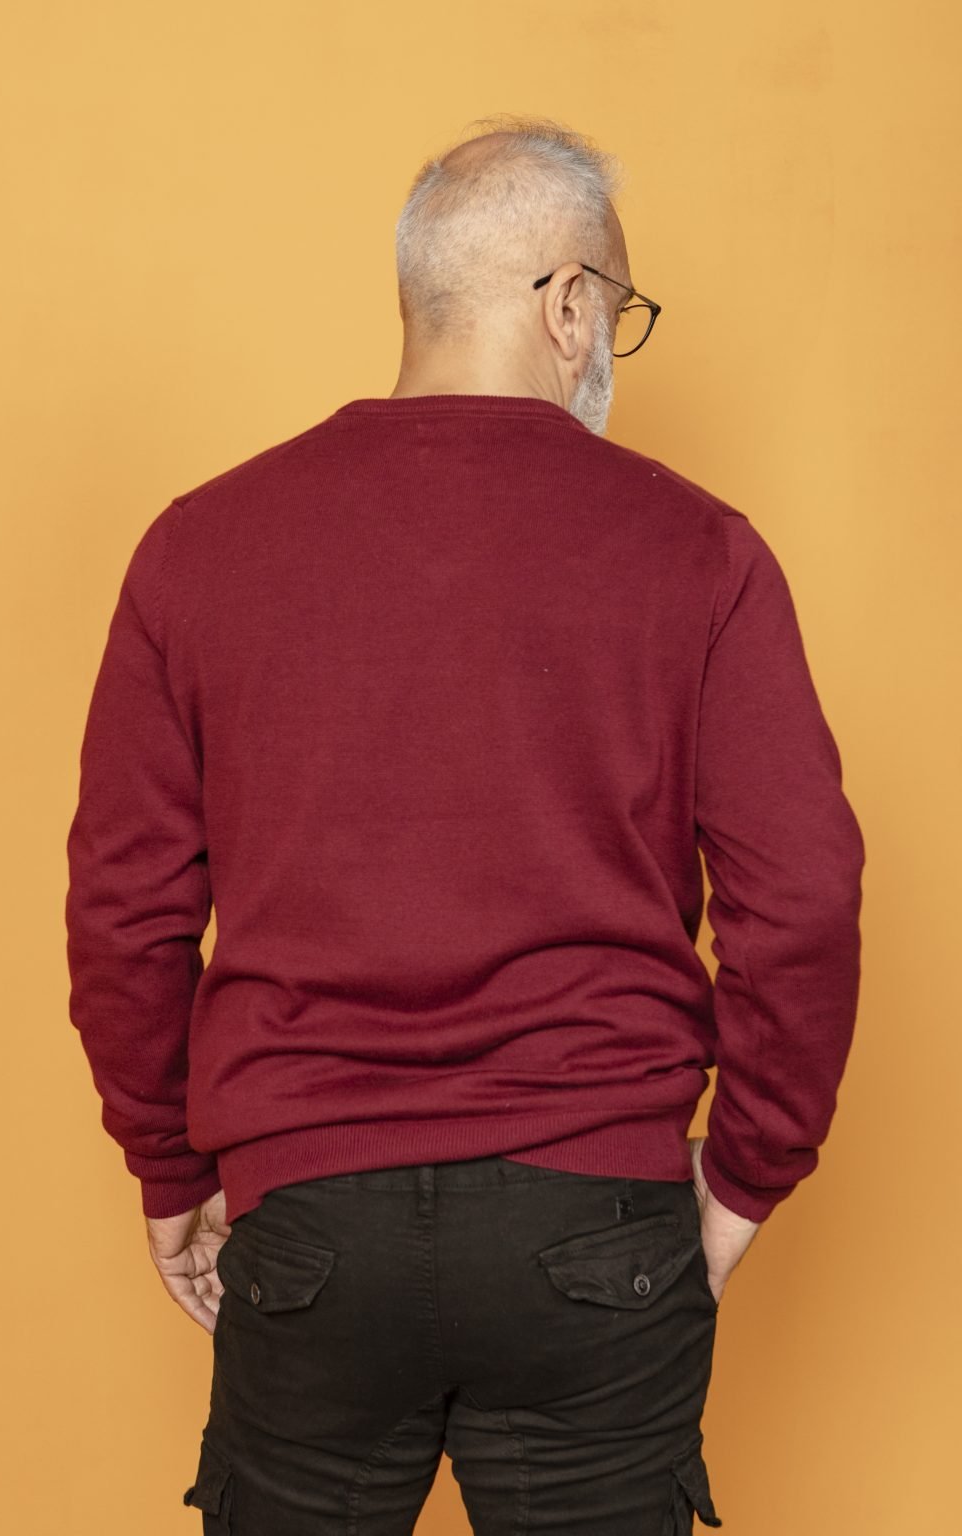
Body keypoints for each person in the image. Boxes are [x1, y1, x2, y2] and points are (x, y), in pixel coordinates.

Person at [64, 112, 865, 1534]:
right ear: (569, 305)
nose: (614, 343)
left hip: (310, 1214)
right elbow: (800, 898)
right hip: (596, 1220)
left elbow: (125, 909)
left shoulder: (200, 546)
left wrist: (169, 1162)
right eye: (620, 309)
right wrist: (747, 1175)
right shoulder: (701, 551)